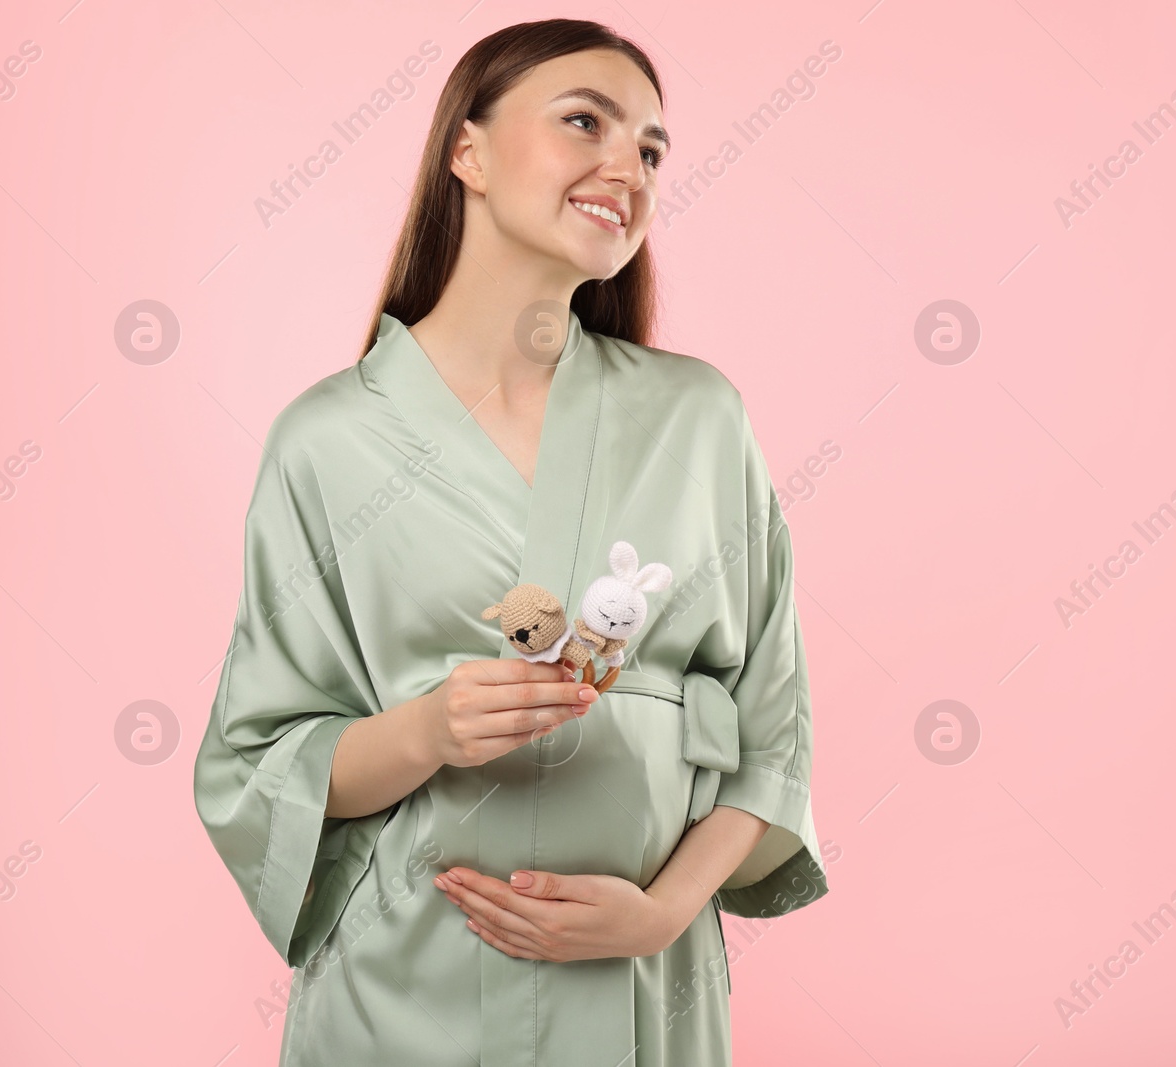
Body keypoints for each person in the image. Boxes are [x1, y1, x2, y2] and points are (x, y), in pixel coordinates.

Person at [191, 17, 829, 1066]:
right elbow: (257, 760)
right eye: (587, 121)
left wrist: (660, 913)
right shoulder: (328, 441)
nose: (627, 167)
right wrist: (431, 727)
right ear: (467, 150)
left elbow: (775, 736)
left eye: (652, 150)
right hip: (405, 986)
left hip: (640, 992)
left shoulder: (699, 418)